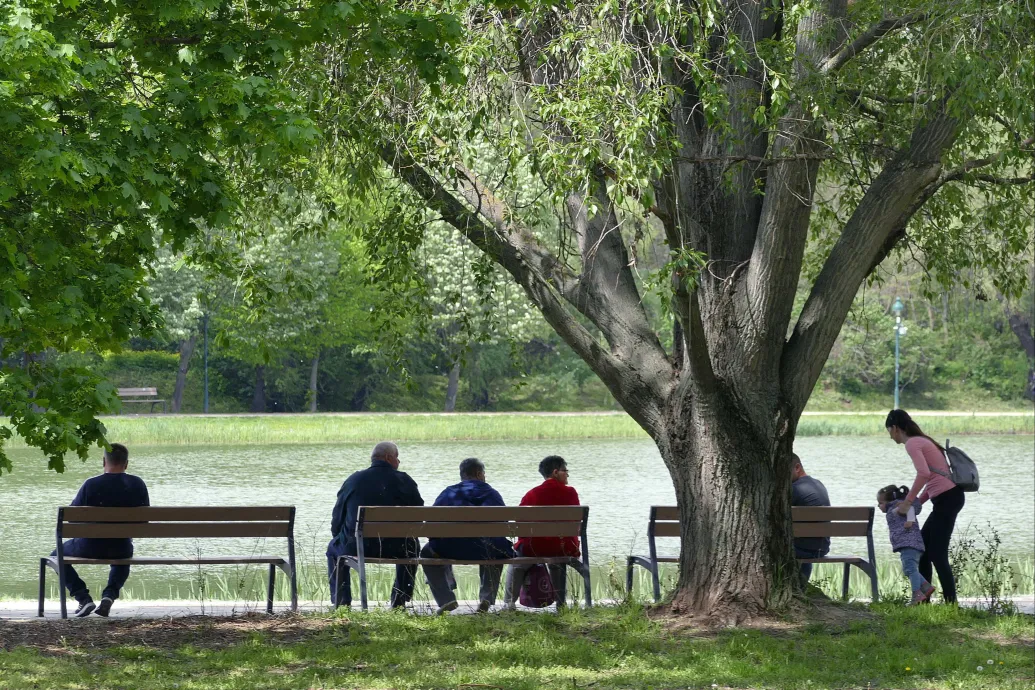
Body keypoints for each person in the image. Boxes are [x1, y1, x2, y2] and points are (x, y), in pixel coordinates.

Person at [54, 443, 150, 617]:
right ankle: (109, 597)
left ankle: (83, 598)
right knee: (124, 553)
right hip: (121, 547)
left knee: (56, 554)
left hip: (89, 546)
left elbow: (71, 516)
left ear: (103, 461)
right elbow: (144, 519)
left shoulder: (91, 485)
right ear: (126, 464)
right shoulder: (137, 484)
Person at [326, 442, 423, 609]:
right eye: (397, 457)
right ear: (388, 458)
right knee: (412, 544)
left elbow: (337, 518)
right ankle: (399, 600)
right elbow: (418, 518)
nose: (399, 462)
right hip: (398, 548)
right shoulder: (405, 481)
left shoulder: (353, 480)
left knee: (333, 549)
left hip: (357, 546)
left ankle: (341, 602)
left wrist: (338, 536)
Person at [886, 408, 964, 604]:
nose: (890, 436)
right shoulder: (922, 441)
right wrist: (918, 501)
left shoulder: (912, 443)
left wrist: (908, 502)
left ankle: (951, 603)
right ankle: (923, 599)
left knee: (936, 554)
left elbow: (923, 474)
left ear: (895, 428)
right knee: (924, 550)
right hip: (947, 498)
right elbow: (934, 480)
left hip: (948, 499)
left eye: (889, 431)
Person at [421, 457, 514, 615]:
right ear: (479, 474)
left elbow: (430, 526)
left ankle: (446, 599)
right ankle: (486, 597)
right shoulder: (492, 493)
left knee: (426, 553)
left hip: (452, 549)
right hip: (487, 549)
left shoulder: (448, 493)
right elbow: (503, 526)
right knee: (496, 547)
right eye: (484, 473)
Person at [503, 455, 580, 609]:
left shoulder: (532, 494)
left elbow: (519, 523)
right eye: (565, 470)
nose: (568, 474)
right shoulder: (570, 492)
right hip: (564, 547)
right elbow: (575, 524)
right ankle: (561, 603)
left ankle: (509, 603)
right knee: (557, 559)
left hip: (534, 547)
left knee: (517, 562)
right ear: (555, 472)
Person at [877, 484, 936, 605]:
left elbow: (910, 508)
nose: (879, 506)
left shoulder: (897, 506)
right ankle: (925, 587)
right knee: (908, 569)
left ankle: (916, 595)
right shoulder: (895, 507)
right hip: (910, 543)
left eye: (880, 502)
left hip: (909, 543)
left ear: (889, 500)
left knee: (910, 569)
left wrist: (910, 520)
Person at [790, 453, 830, 587]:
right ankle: (802, 586)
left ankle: (796, 587)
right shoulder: (818, 484)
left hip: (802, 549)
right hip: (822, 547)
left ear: (797, 468)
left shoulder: (795, 489)